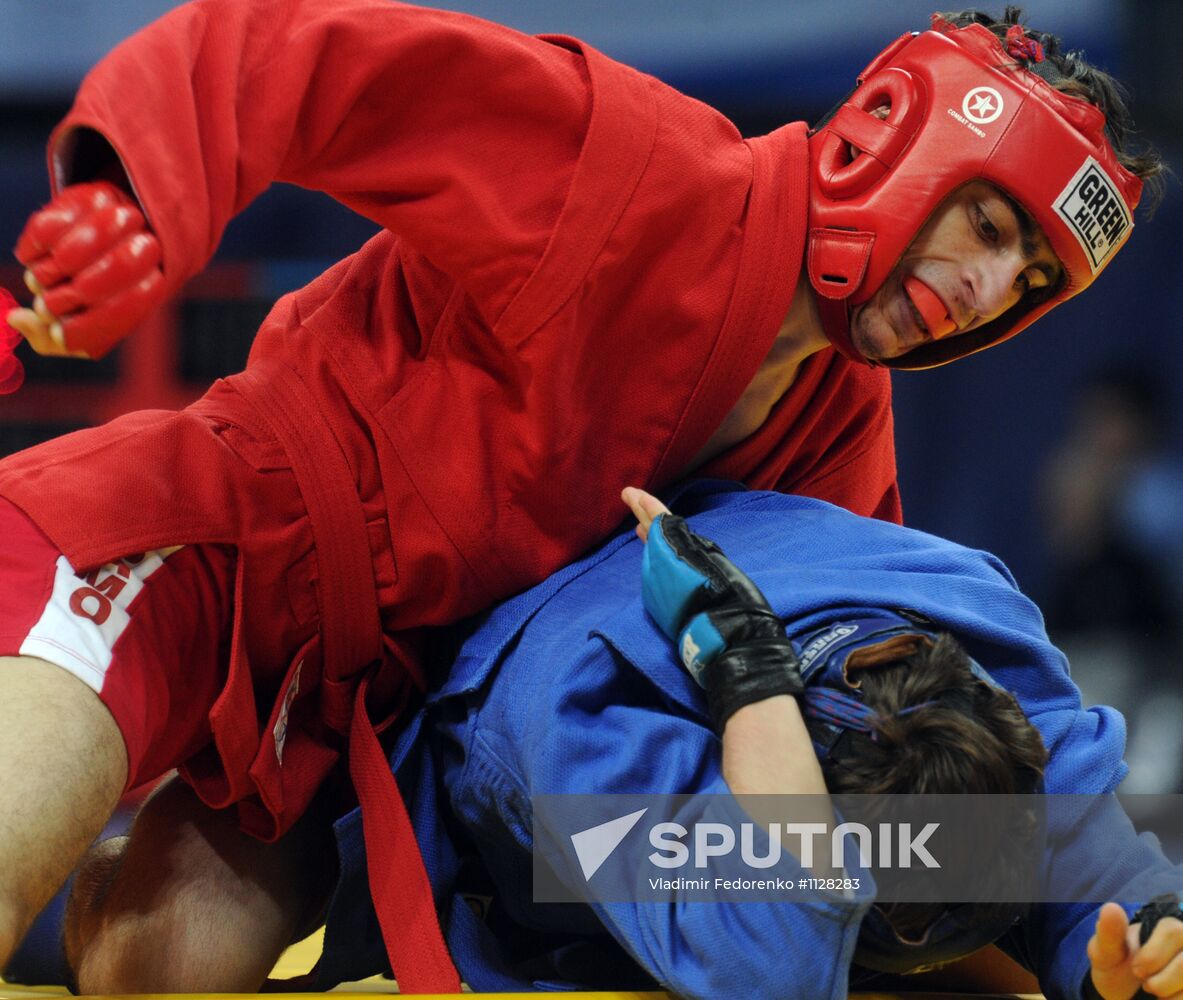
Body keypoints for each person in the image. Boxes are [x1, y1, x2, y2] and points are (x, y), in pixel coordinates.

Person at [0, 2, 1161, 989]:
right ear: (884, 130)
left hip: (374, 711)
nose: (988, 288)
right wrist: (136, 193)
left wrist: (1101, 931)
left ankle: (93, 852)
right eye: (993, 225)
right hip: (201, 543)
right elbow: (301, 58)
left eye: (1032, 278)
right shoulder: (624, 166)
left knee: (160, 964)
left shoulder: (837, 431)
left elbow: (917, 742)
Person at [50, 482, 1183, 999]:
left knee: (998, 940)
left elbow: (1095, 861)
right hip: (430, 749)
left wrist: (1146, 941)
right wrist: (745, 697)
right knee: (165, 972)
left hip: (758, 757)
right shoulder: (590, 725)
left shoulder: (975, 642)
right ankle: (105, 876)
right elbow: (768, 967)